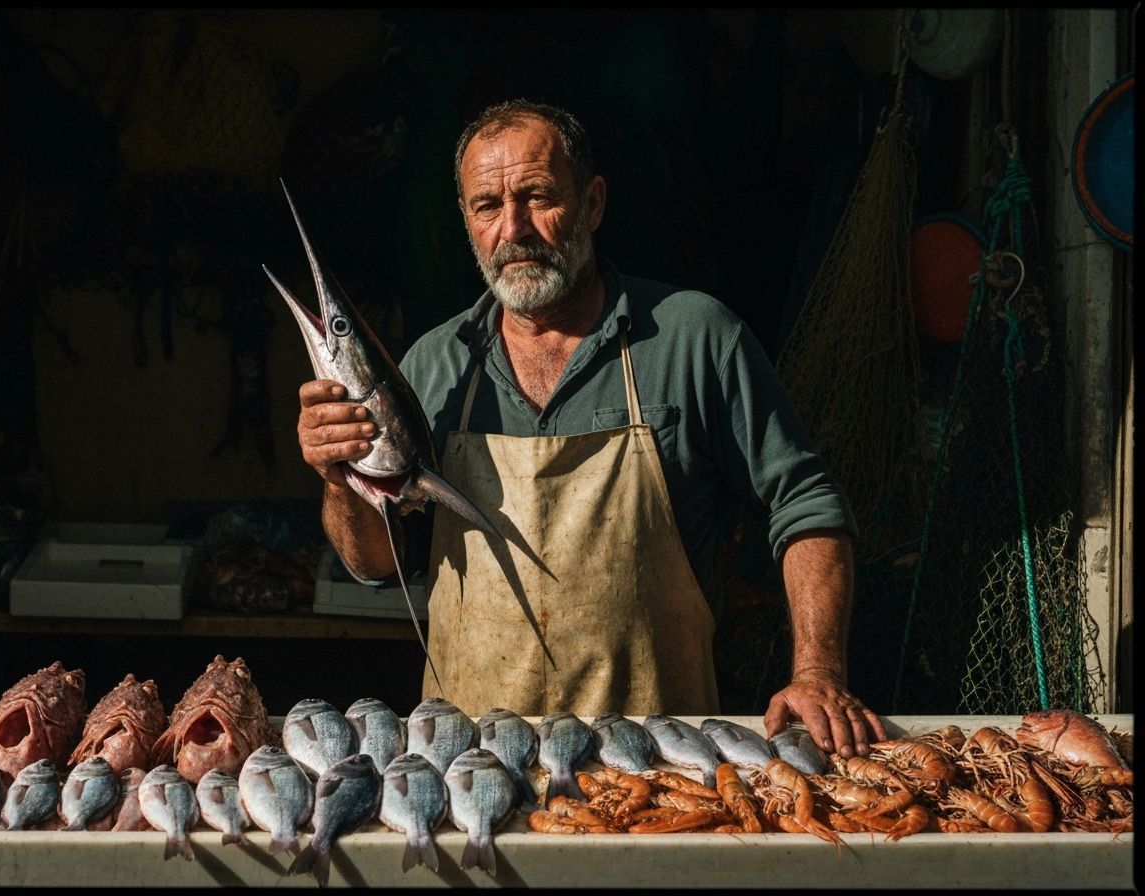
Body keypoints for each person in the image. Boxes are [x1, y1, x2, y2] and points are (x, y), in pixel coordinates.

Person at [296, 99, 886, 758]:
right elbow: (378, 566)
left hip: (662, 768)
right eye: (487, 206)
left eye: (538, 197)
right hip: (470, 773)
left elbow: (805, 506)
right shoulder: (435, 365)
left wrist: (818, 675)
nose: (513, 229)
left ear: (594, 203)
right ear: (465, 220)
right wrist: (340, 479)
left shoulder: (691, 338)